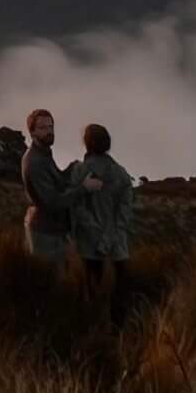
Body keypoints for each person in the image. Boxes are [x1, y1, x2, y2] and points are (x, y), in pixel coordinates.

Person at [71, 122, 135, 317]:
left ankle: (95, 332)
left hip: (91, 244)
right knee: (120, 294)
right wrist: (112, 236)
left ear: (87, 144)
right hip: (117, 245)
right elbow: (125, 211)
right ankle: (121, 335)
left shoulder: (80, 171)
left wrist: (98, 235)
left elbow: (78, 207)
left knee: (92, 292)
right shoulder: (122, 173)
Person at [21, 107, 85, 262]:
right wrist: (84, 188)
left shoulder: (44, 152)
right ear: (32, 132)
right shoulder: (35, 161)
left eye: (51, 127)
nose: (49, 131)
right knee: (48, 281)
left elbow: (55, 182)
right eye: (43, 128)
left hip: (52, 229)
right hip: (44, 232)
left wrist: (71, 169)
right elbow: (54, 201)